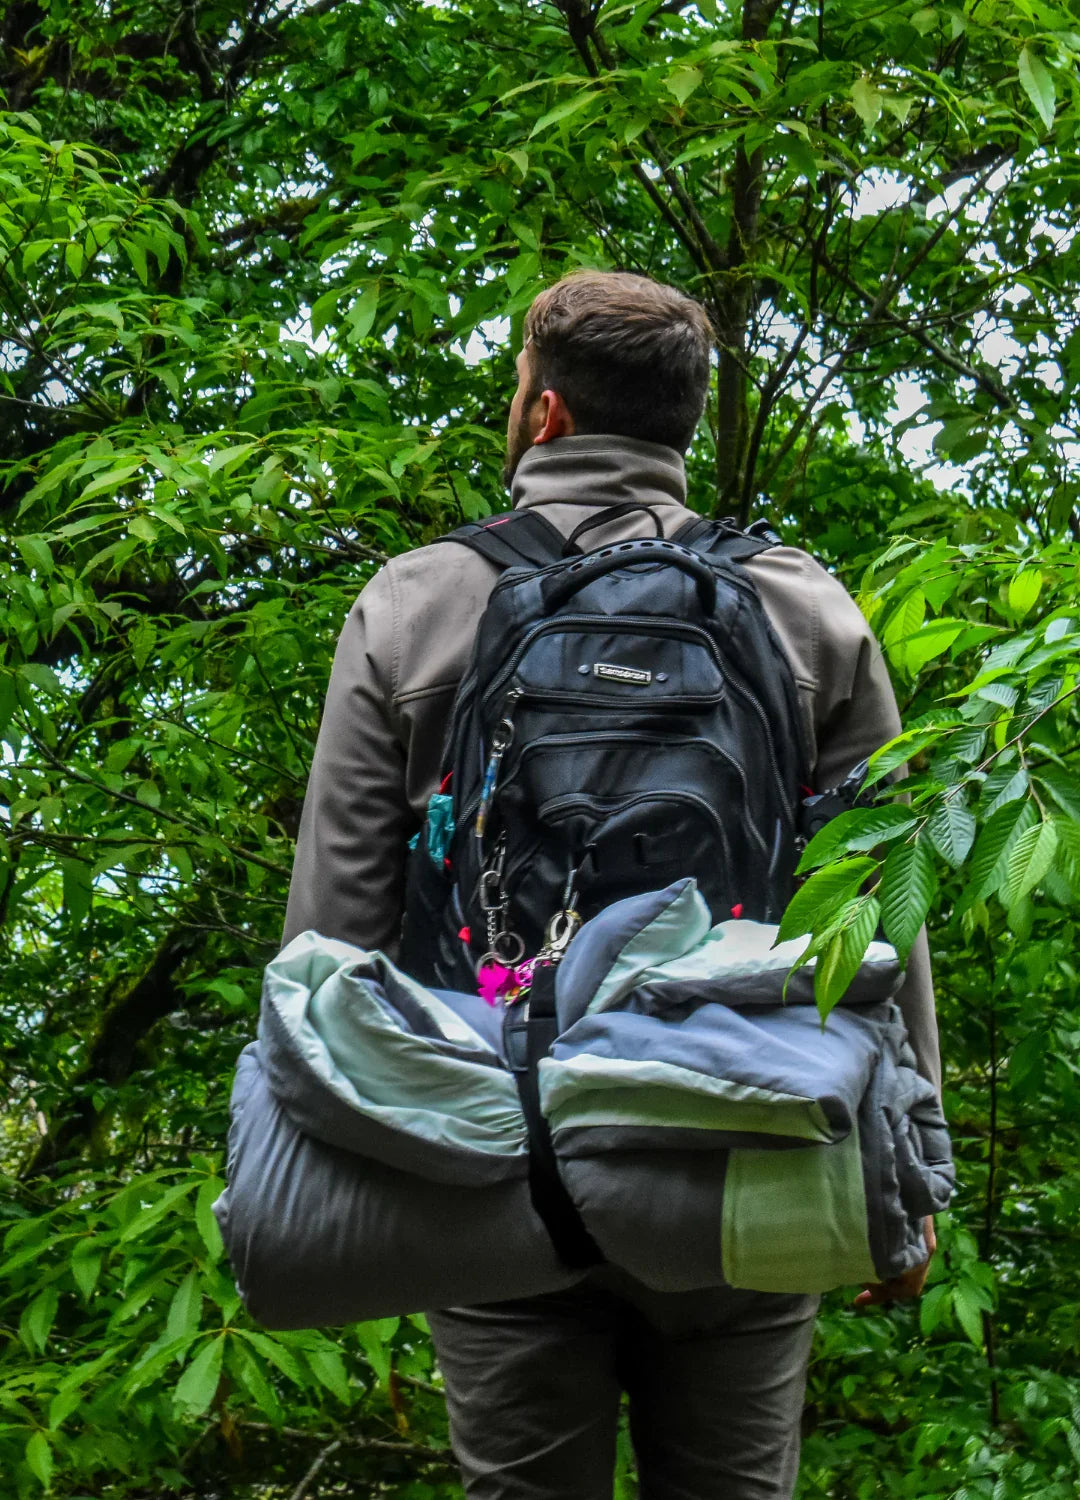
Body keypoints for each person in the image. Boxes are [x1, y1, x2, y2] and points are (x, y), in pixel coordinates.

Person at [282, 270, 941, 1500]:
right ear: (684, 425)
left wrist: (321, 1179)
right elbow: (881, 915)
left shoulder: (417, 604)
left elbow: (334, 929)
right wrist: (910, 1171)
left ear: (543, 415)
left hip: (490, 1148)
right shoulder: (809, 612)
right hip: (751, 1143)